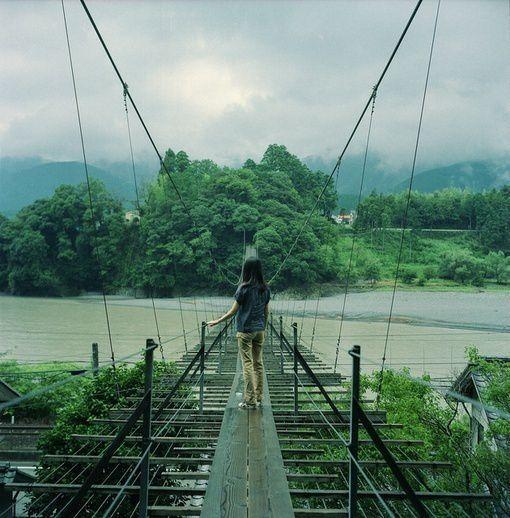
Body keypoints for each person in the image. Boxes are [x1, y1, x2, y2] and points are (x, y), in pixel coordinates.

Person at [207, 257, 270, 409]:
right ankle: (259, 397)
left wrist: (217, 321)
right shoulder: (265, 288)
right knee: (258, 363)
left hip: (245, 331)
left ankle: (249, 400)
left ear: (246, 270)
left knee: (247, 364)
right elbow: (266, 311)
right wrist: (264, 327)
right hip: (260, 330)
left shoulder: (243, 288)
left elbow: (233, 312)